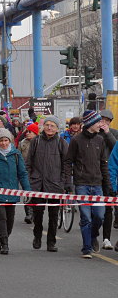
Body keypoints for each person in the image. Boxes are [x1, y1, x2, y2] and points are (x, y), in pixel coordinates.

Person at [66, 110, 110, 259]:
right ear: (91, 123)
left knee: (99, 217)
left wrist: (107, 185)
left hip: (97, 185)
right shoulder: (76, 140)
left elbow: (104, 164)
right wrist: (68, 183)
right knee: (86, 217)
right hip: (82, 184)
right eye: (99, 122)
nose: (101, 125)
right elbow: (68, 162)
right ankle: (87, 248)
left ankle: (93, 236)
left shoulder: (100, 140)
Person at [27, 115, 70, 252]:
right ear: (43, 126)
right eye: (47, 125)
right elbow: (29, 162)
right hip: (37, 184)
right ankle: (37, 236)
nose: (49, 128)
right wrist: (29, 180)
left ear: (57, 129)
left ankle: (51, 242)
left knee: (53, 215)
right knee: (38, 213)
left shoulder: (62, 143)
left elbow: (67, 165)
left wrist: (64, 182)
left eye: (52, 126)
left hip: (55, 184)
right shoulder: (36, 141)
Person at [0, 128, 31, 255]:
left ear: (10, 141)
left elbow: (22, 173)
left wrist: (27, 190)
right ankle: (4, 243)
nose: (4, 143)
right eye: (1, 141)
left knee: (10, 219)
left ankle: (5, 236)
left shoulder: (16, 155)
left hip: (12, 193)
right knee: (1, 217)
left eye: (6, 140)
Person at [97, 109, 118, 249]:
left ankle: (107, 238)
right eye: (101, 119)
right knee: (100, 209)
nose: (103, 122)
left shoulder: (114, 133)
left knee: (110, 209)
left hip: (109, 175)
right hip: (96, 174)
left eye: (106, 120)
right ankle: (99, 236)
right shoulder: (93, 133)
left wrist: (107, 133)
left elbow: (114, 146)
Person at [19, 122, 39, 224]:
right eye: (27, 131)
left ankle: (34, 213)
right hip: (25, 170)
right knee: (27, 191)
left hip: (36, 171)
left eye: (30, 132)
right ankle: (28, 213)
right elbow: (18, 156)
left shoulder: (39, 142)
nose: (27, 133)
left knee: (35, 193)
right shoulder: (22, 143)